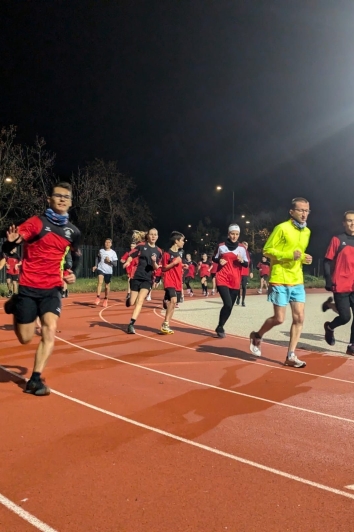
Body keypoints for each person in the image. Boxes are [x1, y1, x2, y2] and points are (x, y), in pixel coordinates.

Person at [2, 182, 81, 395]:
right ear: (49, 199)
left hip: (52, 288)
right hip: (28, 286)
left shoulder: (72, 231)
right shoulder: (36, 223)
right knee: (25, 338)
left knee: (50, 328)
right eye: (58, 195)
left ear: (71, 202)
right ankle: (16, 303)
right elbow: (12, 243)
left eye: (67, 196)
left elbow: (76, 255)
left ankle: (35, 379)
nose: (62, 199)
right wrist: (9, 244)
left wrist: (73, 274)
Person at [249, 197, 312, 368]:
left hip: (297, 279)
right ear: (292, 212)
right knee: (279, 319)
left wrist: (305, 259)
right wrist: (289, 255)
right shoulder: (281, 228)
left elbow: (299, 254)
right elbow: (267, 250)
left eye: (307, 211)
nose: (304, 214)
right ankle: (257, 335)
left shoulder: (307, 232)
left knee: (299, 318)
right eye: (301, 210)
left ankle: (290, 355)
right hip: (280, 279)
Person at [322, 211, 354, 355]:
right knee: (345, 317)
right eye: (349, 220)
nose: (352, 223)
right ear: (344, 223)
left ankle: (352, 346)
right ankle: (329, 327)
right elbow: (327, 261)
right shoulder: (337, 239)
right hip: (341, 284)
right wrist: (328, 279)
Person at [213, 225, 248, 338]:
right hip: (222, 277)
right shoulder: (221, 246)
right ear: (228, 234)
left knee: (230, 306)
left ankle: (220, 326)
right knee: (227, 303)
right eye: (232, 234)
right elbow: (214, 258)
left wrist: (242, 260)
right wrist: (219, 261)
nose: (234, 236)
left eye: (237, 234)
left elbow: (247, 263)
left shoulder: (242, 248)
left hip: (235, 280)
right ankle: (221, 326)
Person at [125, 228, 162, 334]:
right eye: (151, 234)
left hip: (147, 279)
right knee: (132, 302)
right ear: (148, 236)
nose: (153, 236)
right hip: (137, 277)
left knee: (140, 300)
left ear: (157, 236)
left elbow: (156, 268)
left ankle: (131, 324)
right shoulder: (141, 246)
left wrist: (154, 262)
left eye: (155, 234)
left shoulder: (159, 251)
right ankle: (128, 300)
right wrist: (128, 262)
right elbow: (131, 255)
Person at [161, 231, 186, 334]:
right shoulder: (167, 254)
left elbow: (177, 266)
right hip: (169, 280)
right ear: (176, 241)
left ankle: (166, 324)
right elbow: (164, 268)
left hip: (177, 282)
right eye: (182, 240)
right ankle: (165, 323)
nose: (183, 242)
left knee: (174, 303)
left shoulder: (179, 254)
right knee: (174, 300)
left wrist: (183, 266)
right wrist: (174, 263)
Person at [92, 238, 118, 307]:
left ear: (111, 244)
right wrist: (95, 265)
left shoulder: (113, 253)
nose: (107, 244)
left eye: (109, 242)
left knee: (107, 286)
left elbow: (115, 264)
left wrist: (109, 261)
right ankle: (98, 297)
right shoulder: (101, 251)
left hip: (108, 271)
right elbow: (97, 257)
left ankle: (106, 299)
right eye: (106, 242)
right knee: (100, 282)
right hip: (101, 269)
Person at [236, 241, 253, 306]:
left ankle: (243, 301)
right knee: (237, 286)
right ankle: (238, 297)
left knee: (244, 286)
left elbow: (251, 263)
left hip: (245, 272)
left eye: (246, 246)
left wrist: (251, 271)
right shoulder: (238, 252)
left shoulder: (249, 254)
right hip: (239, 271)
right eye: (243, 245)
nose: (245, 247)